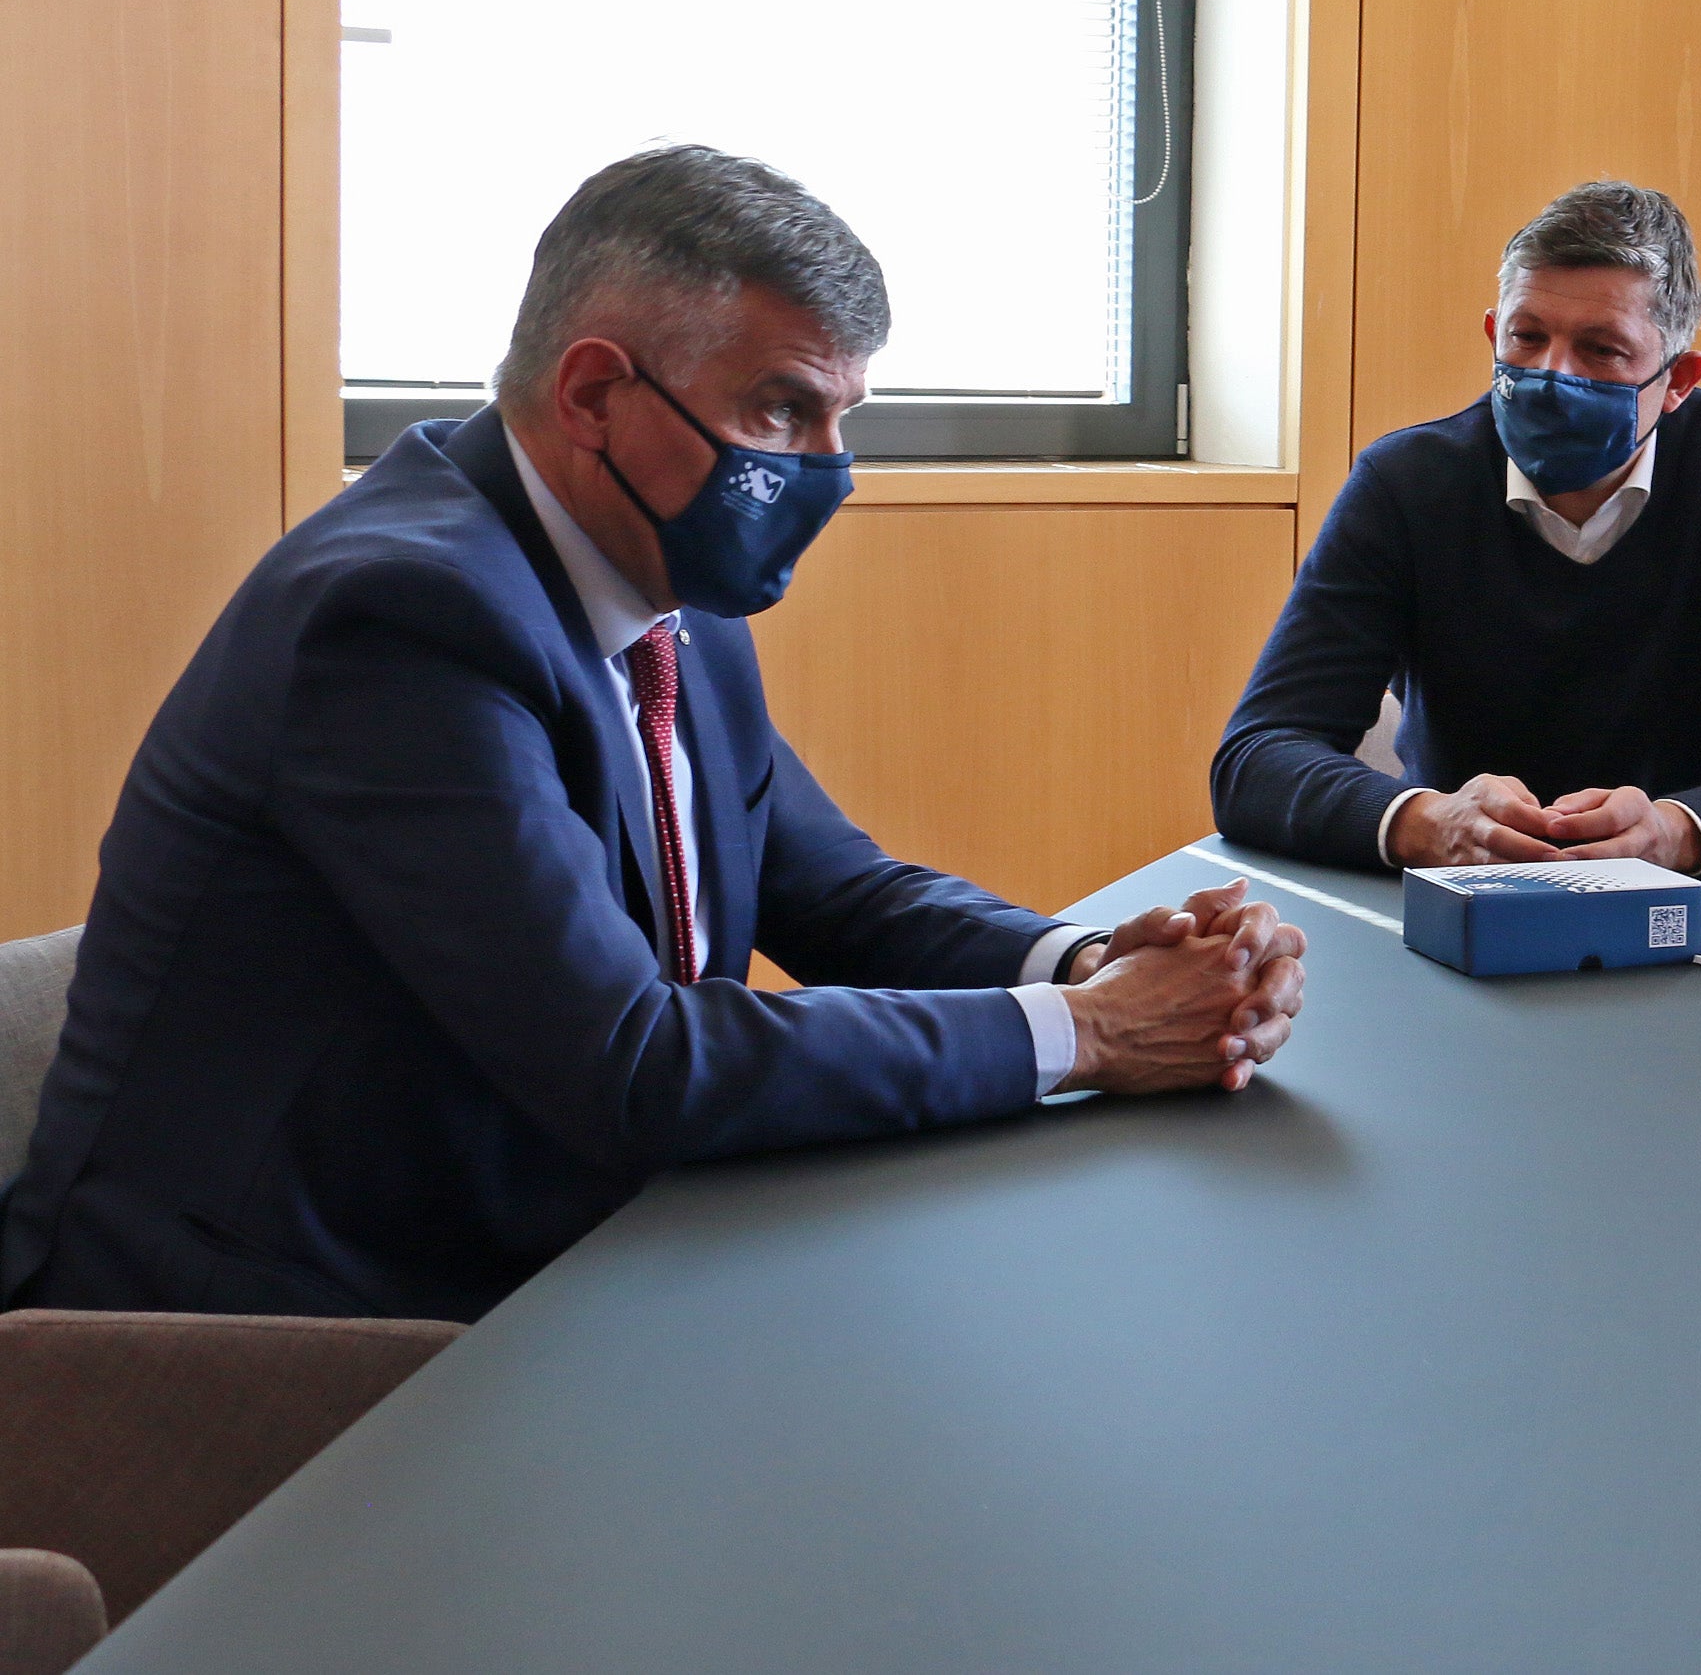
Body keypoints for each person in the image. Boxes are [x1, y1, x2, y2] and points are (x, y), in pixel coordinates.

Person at [1, 147, 1309, 1322]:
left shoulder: (667, 587)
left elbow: (831, 888)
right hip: (264, 1329)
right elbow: (633, 1063)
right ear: (592, 394)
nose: (825, 473)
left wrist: (1083, 958)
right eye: (781, 414)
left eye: (843, 421)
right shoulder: (402, 618)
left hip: (545, 1253)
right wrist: (1092, 1036)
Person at [1213, 180, 1701, 876]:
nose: (1553, 374)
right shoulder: (1406, 482)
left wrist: (1671, 834)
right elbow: (1258, 757)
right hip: (1456, 901)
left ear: (1678, 381)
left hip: (1688, 908)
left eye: (1602, 350)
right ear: (1495, 334)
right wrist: (1427, 823)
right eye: (1528, 337)